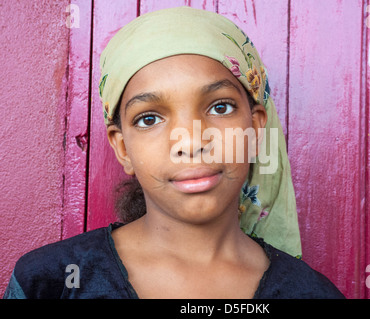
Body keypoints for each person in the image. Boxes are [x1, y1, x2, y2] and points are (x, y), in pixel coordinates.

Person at [3, 7, 344, 299]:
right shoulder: (48, 282)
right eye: (149, 118)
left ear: (255, 130)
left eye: (220, 107)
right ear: (122, 148)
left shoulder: (311, 292)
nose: (190, 141)